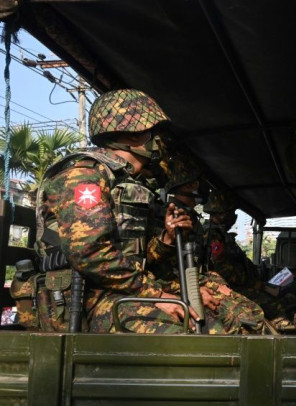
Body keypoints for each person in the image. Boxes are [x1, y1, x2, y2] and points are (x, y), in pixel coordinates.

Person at [34, 89, 194, 333]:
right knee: (181, 334)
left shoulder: (124, 182)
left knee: (203, 318)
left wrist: (165, 240)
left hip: (113, 290)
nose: (159, 141)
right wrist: (155, 294)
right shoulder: (84, 175)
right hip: (80, 298)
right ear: (133, 136)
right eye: (153, 132)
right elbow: (90, 253)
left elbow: (132, 257)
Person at [152, 155, 266, 334]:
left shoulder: (190, 218)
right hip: (172, 285)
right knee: (238, 322)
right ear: (190, 185)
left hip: (192, 281)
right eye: (199, 182)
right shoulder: (167, 215)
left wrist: (213, 281)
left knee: (252, 313)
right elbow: (158, 265)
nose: (204, 188)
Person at [204, 188, 292, 331]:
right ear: (220, 214)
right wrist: (256, 284)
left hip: (239, 285)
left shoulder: (223, 236)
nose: (233, 217)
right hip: (226, 288)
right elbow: (223, 272)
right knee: (271, 305)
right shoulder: (212, 236)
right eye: (230, 213)